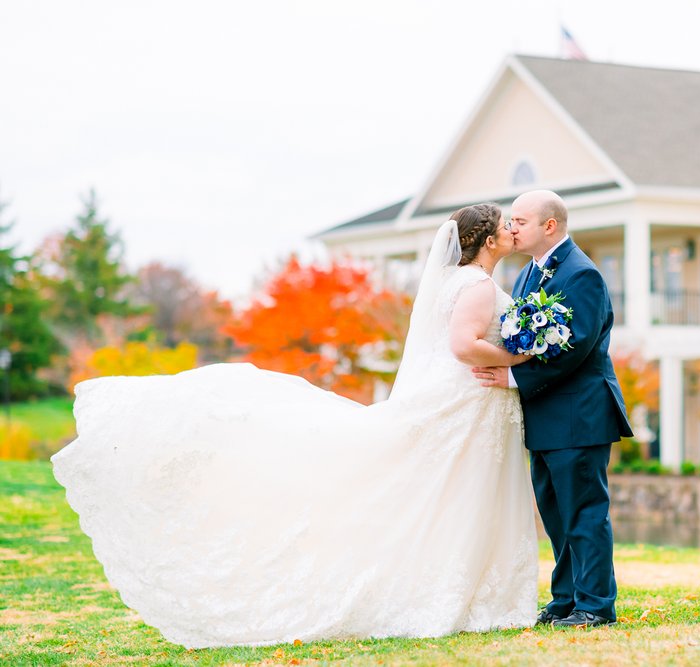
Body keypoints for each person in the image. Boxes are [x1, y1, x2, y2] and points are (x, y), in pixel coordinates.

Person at [51, 203, 539, 649]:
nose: (513, 230)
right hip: (466, 398)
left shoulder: (459, 282)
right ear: (488, 241)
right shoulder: (475, 286)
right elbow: (461, 345)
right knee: (456, 493)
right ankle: (461, 593)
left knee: (449, 495)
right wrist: (516, 356)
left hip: (468, 400)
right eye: (506, 226)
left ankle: (467, 589)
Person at [473, 190, 632, 628]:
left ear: (550, 226)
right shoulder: (528, 273)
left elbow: (576, 346)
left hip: (579, 415)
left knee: (584, 513)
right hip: (544, 416)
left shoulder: (582, 275)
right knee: (556, 514)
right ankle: (565, 599)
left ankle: (596, 606)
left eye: (520, 221)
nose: (511, 228)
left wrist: (513, 378)